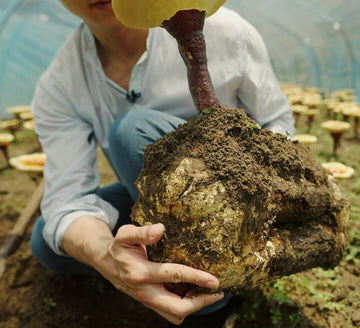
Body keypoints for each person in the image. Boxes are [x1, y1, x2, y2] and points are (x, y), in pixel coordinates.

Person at [29, 0, 294, 326]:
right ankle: (160, 273)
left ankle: (212, 303)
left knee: (131, 133)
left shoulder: (225, 31)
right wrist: (112, 264)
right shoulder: (60, 83)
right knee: (47, 239)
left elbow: (276, 123)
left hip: (242, 200)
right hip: (158, 204)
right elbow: (67, 201)